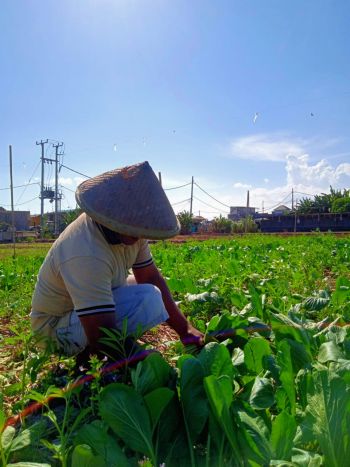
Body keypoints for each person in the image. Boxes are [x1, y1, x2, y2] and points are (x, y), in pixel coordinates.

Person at [30, 161, 203, 361]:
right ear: (111, 214)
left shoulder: (134, 232)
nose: (138, 235)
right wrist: (148, 363)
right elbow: (102, 336)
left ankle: (108, 351)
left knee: (149, 291)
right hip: (55, 331)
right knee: (147, 298)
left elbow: (149, 276)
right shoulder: (85, 251)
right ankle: (86, 357)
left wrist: (185, 330)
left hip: (79, 311)